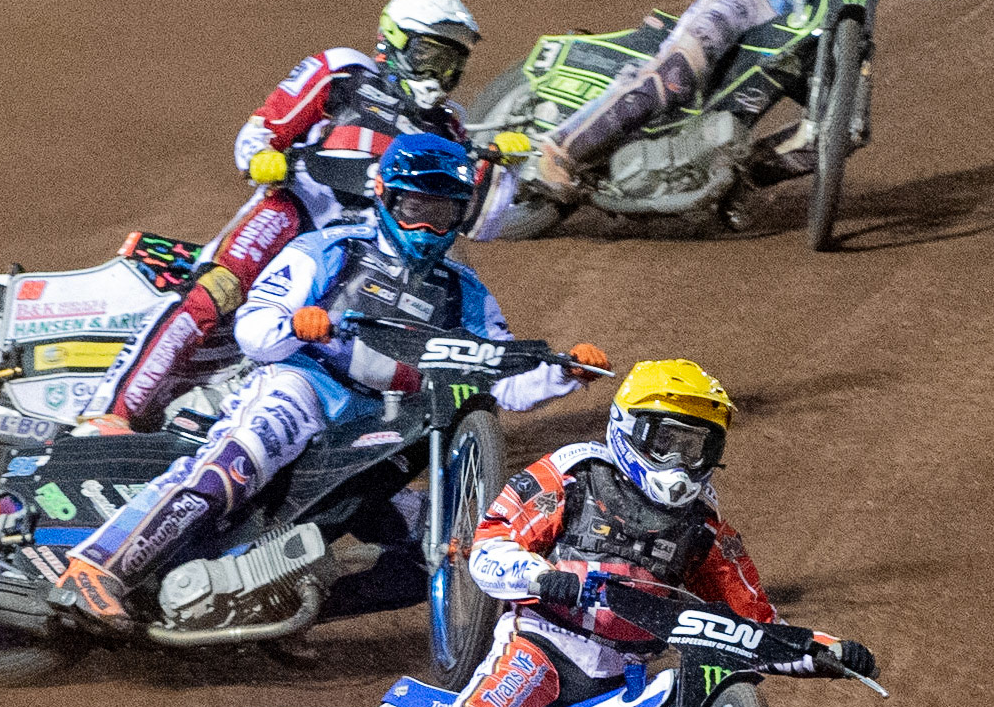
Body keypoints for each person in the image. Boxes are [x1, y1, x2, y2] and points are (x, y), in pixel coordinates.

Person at [259, 358, 879, 707]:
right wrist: (542, 576)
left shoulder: (706, 528)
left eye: (697, 447)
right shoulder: (574, 474)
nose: (680, 461)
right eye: (668, 440)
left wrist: (821, 649)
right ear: (630, 430)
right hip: (541, 648)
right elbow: (488, 547)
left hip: (623, 680)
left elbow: (754, 623)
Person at [51, 133, 610, 627]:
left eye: (442, 213)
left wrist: (564, 373)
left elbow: (501, 376)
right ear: (385, 197)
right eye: (415, 207)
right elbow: (252, 330)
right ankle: (98, 567)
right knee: (241, 458)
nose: (426, 227)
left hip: (382, 425)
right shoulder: (331, 251)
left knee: (435, 542)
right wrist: (297, 324)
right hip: (303, 386)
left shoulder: (464, 291)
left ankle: (277, 612)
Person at [76, 0, 513, 435]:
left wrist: (504, 171)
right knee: (216, 289)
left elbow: (479, 223)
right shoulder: (345, 71)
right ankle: (108, 412)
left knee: (358, 332)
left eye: (452, 62)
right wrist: (261, 157)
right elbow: (260, 130)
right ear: (394, 41)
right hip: (297, 210)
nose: (440, 74)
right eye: (430, 55)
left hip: (360, 247)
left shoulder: (450, 129)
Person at [533, 0, 823, 193]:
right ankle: (561, 150)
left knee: (838, 131)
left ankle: (735, 182)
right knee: (675, 76)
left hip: (820, 19)